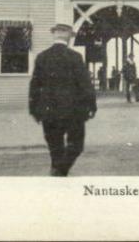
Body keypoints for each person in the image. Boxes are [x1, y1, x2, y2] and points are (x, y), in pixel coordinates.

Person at [29, 23, 97, 176]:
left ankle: (57, 172)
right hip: (73, 111)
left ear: (54, 35)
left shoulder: (42, 57)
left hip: (48, 111)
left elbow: (34, 85)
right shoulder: (75, 57)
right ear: (68, 37)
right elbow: (85, 85)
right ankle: (60, 171)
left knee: (55, 146)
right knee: (76, 145)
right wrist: (91, 106)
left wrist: (34, 110)